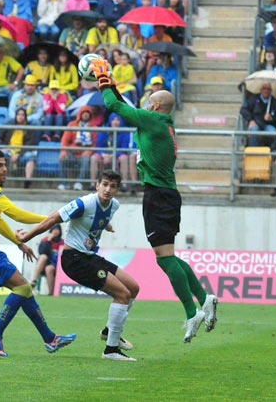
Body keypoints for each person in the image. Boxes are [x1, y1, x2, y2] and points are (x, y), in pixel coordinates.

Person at [91, 57, 218, 343]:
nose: (146, 105)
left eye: (149, 101)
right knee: (169, 257)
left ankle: (191, 312)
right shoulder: (162, 123)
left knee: (164, 260)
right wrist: (111, 82)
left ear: (157, 105)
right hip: (166, 195)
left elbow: (114, 106)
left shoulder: (153, 120)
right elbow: (126, 106)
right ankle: (203, 298)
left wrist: (101, 78)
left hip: (158, 196)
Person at [16, 170, 139, 361]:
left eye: (112, 186)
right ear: (97, 185)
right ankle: (111, 350)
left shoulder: (114, 205)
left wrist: (106, 225)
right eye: (104, 184)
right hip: (74, 259)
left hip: (90, 256)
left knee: (133, 288)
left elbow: (100, 218)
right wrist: (26, 237)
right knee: (122, 295)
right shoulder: (84, 203)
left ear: (117, 189)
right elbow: (51, 219)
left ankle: (109, 331)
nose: (107, 189)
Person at [0, 150, 76, 357]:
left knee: (24, 292)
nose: (5, 169)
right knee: (24, 287)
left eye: (5, 164)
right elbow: (17, 214)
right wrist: (52, 218)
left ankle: (50, 339)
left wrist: (18, 243)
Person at [58, 105, 99, 191]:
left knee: (86, 159)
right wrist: (63, 151)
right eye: (84, 113)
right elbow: (65, 140)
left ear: (90, 115)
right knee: (62, 158)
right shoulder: (72, 125)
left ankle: (79, 183)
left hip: (84, 153)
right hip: (72, 152)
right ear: (80, 114)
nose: (85, 115)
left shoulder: (94, 127)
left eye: (87, 113)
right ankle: (63, 183)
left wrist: (89, 151)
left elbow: (94, 143)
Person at [90, 113, 134, 192]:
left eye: (118, 120)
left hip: (118, 154)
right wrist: (103, 154)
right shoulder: (104, 130)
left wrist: (113, 155)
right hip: (104, 153)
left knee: (124, 158)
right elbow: (98, 145)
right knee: (94, 158)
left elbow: (125, 147)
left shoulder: (125, 131)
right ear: (110, 121)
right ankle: (93, 184)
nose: (115, 122)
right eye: (113, 120)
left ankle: (124, 184)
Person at [0, 108, 38, 188]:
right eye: (18, 114)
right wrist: (3, 147)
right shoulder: (10, 125)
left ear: (25, 116)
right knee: (1, 155)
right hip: (9, 149)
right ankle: (0, 181)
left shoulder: (29, 128)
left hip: (23, 151)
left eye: (22, 115)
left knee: (30, 157)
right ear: (16, 116)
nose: (20, 117)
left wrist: (18, 153)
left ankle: (27, 182)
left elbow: (30, 144)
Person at [240, 82, 276, 147]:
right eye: (264, 88)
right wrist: (251, 120)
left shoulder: (274, 101)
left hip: (268, 125)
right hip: (256, 123)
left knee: (274, 133)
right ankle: (255, 152)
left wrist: (271, 118)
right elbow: (243, 110)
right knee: (254, 131)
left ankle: (273, 153)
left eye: (268, 89)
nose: (266, 90)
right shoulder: (253, 99)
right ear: (260, 90)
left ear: (271, 91)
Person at [29, 224, 63, 295]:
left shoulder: (62, 242)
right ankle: (34, 281)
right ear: (51, 230)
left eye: (57, 229)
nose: (55, 231)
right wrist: (48, 241)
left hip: (57, 265)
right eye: (54, 229)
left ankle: (51, 293)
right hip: (44, 264)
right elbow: (41, 252)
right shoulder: (45, 240)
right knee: (43, 257)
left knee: (49, 269)